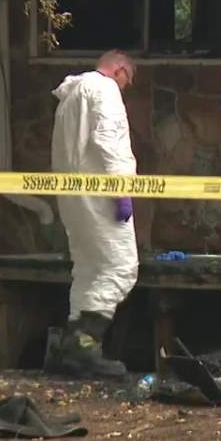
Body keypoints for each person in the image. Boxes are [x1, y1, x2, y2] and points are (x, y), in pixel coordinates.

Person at [48, 50, 139, 377]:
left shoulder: (70, 97)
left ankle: (70, 349)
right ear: (120, 70)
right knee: (122, 266)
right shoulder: (104, 90)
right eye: (128, 80)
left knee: (87, 267)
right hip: (100, 195)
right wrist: (121, 190)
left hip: (72, 196)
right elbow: (109, 140)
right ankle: (84, 344)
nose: (126, 88)